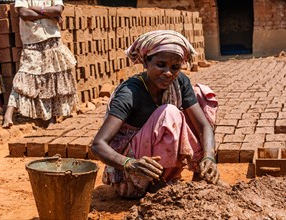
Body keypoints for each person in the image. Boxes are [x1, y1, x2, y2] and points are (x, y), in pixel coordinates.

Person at [91, 30, 219, 199]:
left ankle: (198, 172)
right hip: (133, 172)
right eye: (161, 65)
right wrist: (129, 164)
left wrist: (210, 157)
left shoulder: (179, 82)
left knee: (203, 97)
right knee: (169, 113)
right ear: (146, 62)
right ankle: (156, 186)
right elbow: (98, 145)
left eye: (175, 67)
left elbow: (203, 126)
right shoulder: (130, 92)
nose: (168, 73)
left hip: (154, 157)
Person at [2, 0, 78, 128]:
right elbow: (24, 13)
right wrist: (48, 13)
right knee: (24, 76)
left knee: (53, 79)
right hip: (32, 41)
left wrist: (36, 9)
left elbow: (58, 10)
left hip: (52, 40)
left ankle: (52, 119)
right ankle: (8, 115)